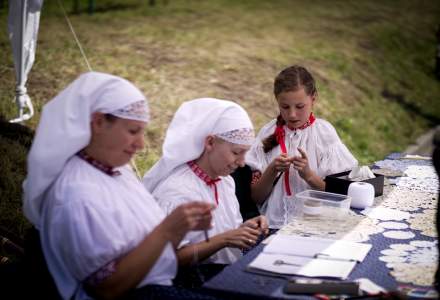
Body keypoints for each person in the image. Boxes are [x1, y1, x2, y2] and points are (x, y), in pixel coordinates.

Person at [22, 72, 213, 300]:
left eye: (142, 132)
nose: (141, 144)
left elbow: (153, 254)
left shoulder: (117, 172)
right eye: (133, 131)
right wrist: (168, 230)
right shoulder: (76, 193)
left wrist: (181, 228)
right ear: (99, 122)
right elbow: (107, 289)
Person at [143, 98, 268, 275]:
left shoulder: (225, 181)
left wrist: (245, 229)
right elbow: (166, 260)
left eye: (245, 153)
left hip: (225, 272)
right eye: (236, 152)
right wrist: (223, 240)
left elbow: (226, 232)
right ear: (210, 142)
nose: (242, 163)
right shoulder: (178, 191)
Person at [246, 65, 358, 228]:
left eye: (299, 107)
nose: (292, 114)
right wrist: (272, 170)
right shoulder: (268, 133)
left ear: (313, 99)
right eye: (285, 107)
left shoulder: (324, 134)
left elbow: (339, 195)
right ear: (277, 101)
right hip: (273, 225)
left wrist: (309, 175)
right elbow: (256, 197)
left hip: (316, 224)